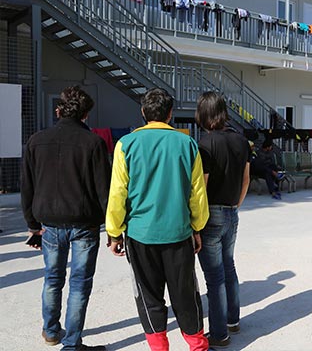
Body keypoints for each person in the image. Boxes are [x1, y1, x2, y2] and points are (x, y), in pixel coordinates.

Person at [105, 88, 209, 351]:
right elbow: (197, 194)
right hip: (178, 233)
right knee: (185, 294)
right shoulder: (187, 144)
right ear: (171, 114)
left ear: (143, 113)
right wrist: (196, 227)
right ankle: (197, 346)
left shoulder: (125, 145)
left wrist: (114, 232)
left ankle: (159, 348)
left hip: (140, 235)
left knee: (149, 297)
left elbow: (117, 192)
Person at [21, 86, 110, 351]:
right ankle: (72, 343)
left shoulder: (36, 141)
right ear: (86, 114)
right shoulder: (93, 143)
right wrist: (115, 227)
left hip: (48, 221)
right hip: (84, 223)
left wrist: (32, 225)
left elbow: (27, 186)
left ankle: (50, 331)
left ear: (59, 110)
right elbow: (103, 189)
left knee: (52, 278)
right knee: (80, 284)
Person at [195, 92, 251, 348]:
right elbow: (247, 178)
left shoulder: (205, 143)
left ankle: (219, 334)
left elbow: (201, 188)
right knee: (229, 266)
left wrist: (196, 219)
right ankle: (233, 320)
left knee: (214, 276)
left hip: (211, 213)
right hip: (232, 210)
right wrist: (236, 204)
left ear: (204, 114)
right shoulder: (241, 141)